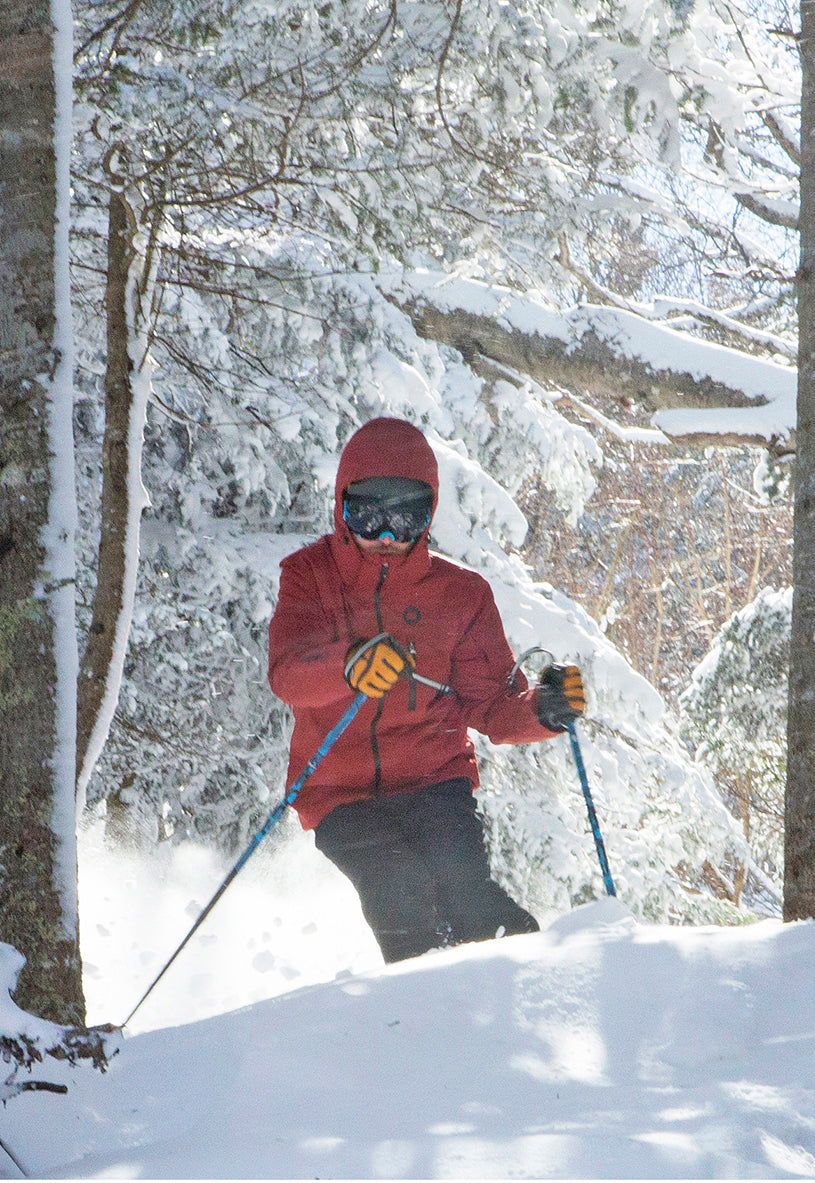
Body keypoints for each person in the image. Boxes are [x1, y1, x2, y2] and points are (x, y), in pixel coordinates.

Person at [267, 417, 585, 963]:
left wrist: (544, 710)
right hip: (340, 792)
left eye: (406, 518)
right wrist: (347, 666)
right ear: (343, 507)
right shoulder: (310, 576)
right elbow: (288, 674)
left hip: (436, 780)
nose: (387, 536)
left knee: (469, 901)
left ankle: (529, 982)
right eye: (369, 515)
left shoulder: (460, 594)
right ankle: (420, 1023)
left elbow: (492, 705)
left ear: (429, 515)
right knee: (400, 894)